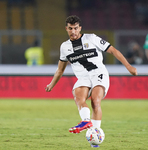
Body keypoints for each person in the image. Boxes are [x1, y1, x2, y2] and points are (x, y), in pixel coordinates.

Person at [45, 15, 137, 147]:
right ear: (66, 29)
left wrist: (129, 67)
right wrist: (51, 84)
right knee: (79, 97)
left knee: (95, 100)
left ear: (80, 28)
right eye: (70, 28)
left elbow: (113, 51)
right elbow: (60, 70)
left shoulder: (92, 38)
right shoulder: (65, 47)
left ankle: (95, 134)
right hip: (83, 77)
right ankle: (87, 122)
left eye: (76, 28)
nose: (73, 31)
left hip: (99, 73)